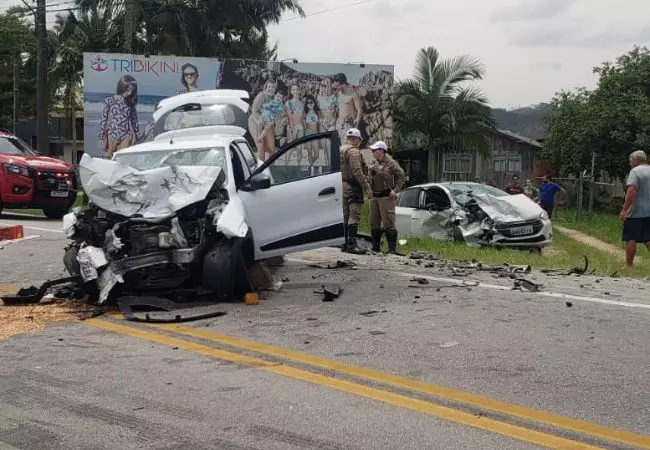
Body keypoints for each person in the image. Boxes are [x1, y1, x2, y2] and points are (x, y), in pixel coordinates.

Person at [367, 140, 405, 253]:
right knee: (374, 222)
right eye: (372, 150)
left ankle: (391, 249)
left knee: (388, 222)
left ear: (382, 151)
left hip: (386, 196)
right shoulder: (374, 162)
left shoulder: (391, 163)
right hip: (375, 195)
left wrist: (396, 190)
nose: (373, 152)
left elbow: (401, 176)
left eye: (375, 150)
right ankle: (375, 247)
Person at [340, 127, 372, 254]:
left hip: (342, 184)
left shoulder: (341, 150)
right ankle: (352, 245)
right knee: (354, 215)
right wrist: (367, 187)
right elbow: (357, 172)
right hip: (353, 186)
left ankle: (345, 243)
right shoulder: (353, 152)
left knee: (345, 215)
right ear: (357, 139)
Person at [619, 150, 650, 267]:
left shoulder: (635, 172)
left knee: (630, 237)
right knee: (648, 238)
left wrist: (625, 210)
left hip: (636, 211)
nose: (629, 163)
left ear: (636, 160)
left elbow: (632, 191)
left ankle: (629, 265)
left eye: (630, 160)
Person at [98, 75, 140, 158]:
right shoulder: (109, 101)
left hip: (126, 135)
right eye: (128, 90)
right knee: (109, 160)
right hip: (112, 134)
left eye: (132, 90)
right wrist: (100, 136)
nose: (130, 93)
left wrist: (137, 135)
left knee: (122, 159)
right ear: (122, 87)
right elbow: (104, 119)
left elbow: (134, 121)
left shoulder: (130, 103)